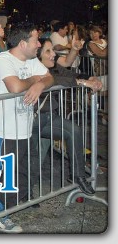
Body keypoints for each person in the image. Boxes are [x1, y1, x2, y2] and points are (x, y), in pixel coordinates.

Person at [0, 23, 54, 233]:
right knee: (2, 175)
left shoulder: (31, 60)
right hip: (2, 131)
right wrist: (33, 80)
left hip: (23, 128)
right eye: (35, 40)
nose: (38, 45)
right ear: (23, 43)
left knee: (17, 176)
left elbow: (50, 77)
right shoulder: (3, 59)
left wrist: (40, 84)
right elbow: (14, 86)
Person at [31, 38, 101, 195]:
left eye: (52, 50)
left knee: (73, 130)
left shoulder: (54, 66)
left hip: (49, 118)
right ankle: (26, 192)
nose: (53, 54)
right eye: (48, 51)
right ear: (38, 55)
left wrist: (90, 78)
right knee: (33, 156)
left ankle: (78, 176)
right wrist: (82, 82)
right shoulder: (33, 69)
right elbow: (58, 80)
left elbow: (70, 74)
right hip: (32, 120)